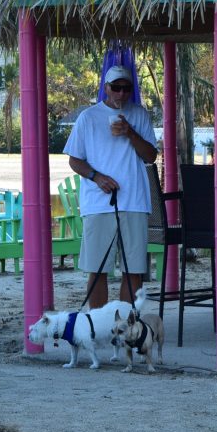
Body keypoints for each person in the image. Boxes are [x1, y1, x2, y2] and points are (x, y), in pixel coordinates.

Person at [64, 65, 158, 308]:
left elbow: (151, 156)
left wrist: (130, 133)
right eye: (115, 88)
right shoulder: (88, 117)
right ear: (106, 88)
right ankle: (97, 326)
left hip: (135, 202)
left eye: (126, 89)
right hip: (98, 203)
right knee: (97, 270)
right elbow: (75, 159)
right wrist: (97, 177)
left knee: (133, 269)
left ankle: (126, 326)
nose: (121, 93)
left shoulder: (140, 115)